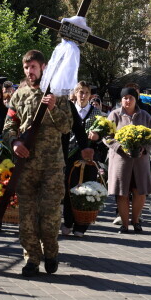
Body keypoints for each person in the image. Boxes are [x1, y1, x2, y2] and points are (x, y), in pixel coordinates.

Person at [2, 50, 73, 277]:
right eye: (26, 68)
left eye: (33, 67)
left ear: (43, 67)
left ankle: (51, 252)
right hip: (26, 165)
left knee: (50, 216)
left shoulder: (58, 95)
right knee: (27, 217)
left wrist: (52, 109)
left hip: (52, 165)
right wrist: (14, 142)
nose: (29, 72)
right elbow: (9, 126)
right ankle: (31, 258)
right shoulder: (19, 95)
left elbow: (67, 127)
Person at [104, 87, 151, 234]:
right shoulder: (114, 115)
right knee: (122, 193)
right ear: (121, 100)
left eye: (131, 98)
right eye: (125, 98)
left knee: (139, 191)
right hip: (121, 160)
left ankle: (136, 221)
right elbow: (106, 136)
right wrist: (120, 147)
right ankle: (124, 224)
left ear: (136, 99)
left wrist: (144, 148)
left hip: (140, 160)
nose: (127, 101)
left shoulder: (145, 116)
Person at [61, 81, 101, 238]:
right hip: (70, 154)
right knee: (70, 188)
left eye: (85, 92)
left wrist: (97, 137)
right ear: (75, 94)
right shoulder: (68, 110)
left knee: (87, 189)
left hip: (88, 156)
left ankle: (81, 225)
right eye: (80, 92)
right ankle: (68, 221)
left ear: (90, 95)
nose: (83, 95)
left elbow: (104, 134)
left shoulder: (96, 113)